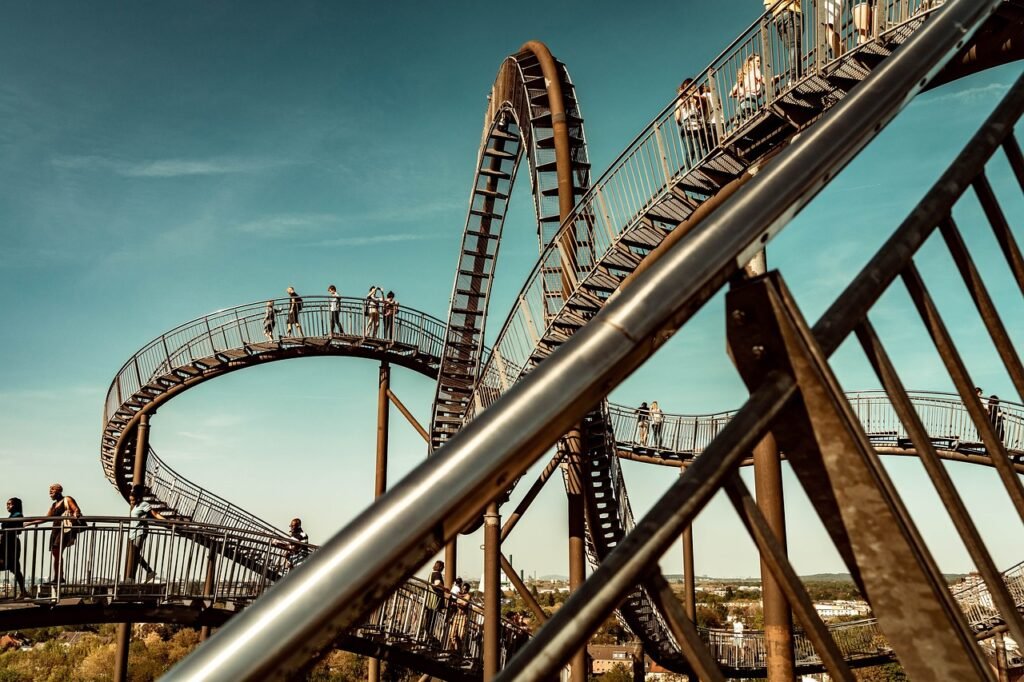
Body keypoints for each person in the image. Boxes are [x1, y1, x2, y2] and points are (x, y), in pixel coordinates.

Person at [42, 484, 81, 584]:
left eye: (52, 490)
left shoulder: (67, 499)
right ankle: (58, 577)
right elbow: (45, 518)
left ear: (59, 491)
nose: (50, 492)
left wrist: (76, 513)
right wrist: (29, 522)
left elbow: (76, 509)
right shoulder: (54, 505)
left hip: (65, 530)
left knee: (57, 552)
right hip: (56, 530)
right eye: (49, 490)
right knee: (56, 553)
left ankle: (59, 578)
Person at [763, 0, 801, 80]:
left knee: (792, 47)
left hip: (778, 18)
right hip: (791, 12)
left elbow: (768, 9)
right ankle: (794, 76)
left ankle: (797, 75)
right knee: (794, 46)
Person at [128, 486, 156, 582]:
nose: (131, 502)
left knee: (135, 554)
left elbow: (153, 514)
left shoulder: (144, 504)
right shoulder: (136, 506)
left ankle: (131, 578)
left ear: (138, 498)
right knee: (135, 555)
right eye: (130, 500)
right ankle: (149, 571)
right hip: (133, 533)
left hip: (139, 532)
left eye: (133, 500)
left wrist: (167, 521)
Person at [1, 498, 28, 598]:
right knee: (15, 568)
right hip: (8, 543)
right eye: (7, 504)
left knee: (14, 567)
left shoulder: (17, 515)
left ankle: (23, 591)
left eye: (10, 504)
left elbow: (18, 529)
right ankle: (23, 591)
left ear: (15, 505)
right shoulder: (14, 515)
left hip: (10, 544)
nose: (7, 506)